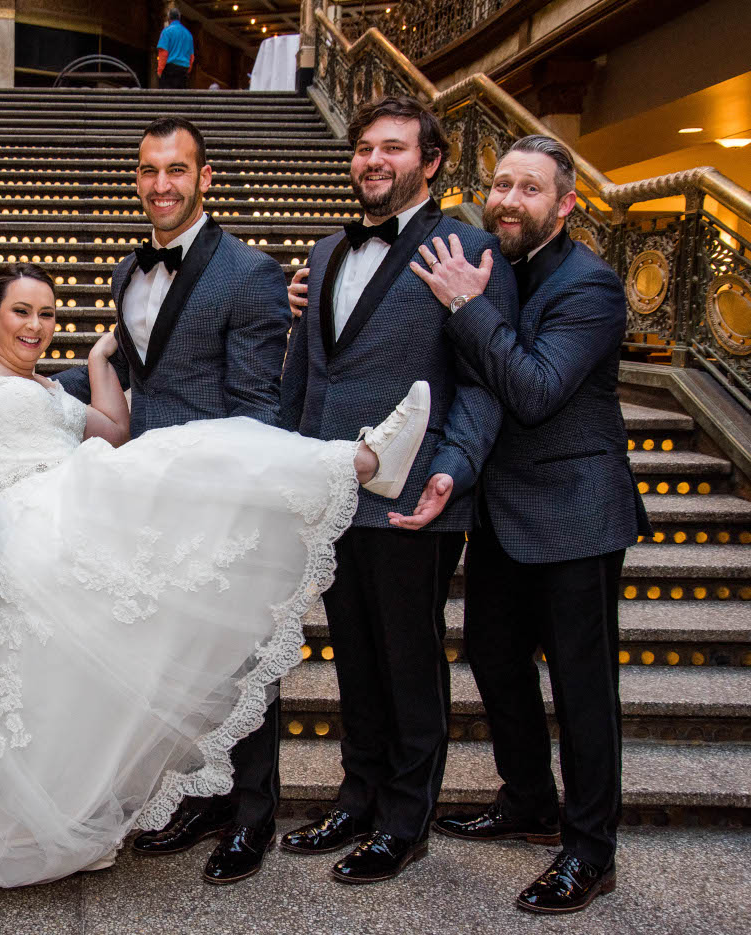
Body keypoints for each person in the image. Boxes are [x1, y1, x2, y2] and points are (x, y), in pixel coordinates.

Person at [0, 263, 432, 887]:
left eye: (47, 314)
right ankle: (359, 461)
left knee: (188, 457)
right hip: (25, 523)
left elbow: (113, 429)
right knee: (185, 456)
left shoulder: (52, 390)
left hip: (68, 507)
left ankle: (355, 462)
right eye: (21, 311)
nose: (37, 326)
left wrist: (103, 358)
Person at [277, 95, 515, 884]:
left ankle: (405, 818)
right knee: (352, 655)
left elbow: (484, 384)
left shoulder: (470, 249)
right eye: (363, 148)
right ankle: (357, 793)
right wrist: (291, 462)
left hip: (415, 492)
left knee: (410, 659)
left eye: (392, 147)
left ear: (432, 161)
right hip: (333, 488)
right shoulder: (324, 251)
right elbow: (312, 372)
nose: (373, 161)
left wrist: (453, 467)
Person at [409, 134, 648, 914]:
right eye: (502, 184)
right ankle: (528, 799)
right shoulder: (491, 271)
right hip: (505, 511)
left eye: (530, 189)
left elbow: (538, 388)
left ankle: (590, 850)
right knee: (490, 650)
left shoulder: (591, 286)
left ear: (566, 202)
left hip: (577, 510)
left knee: (584, 687)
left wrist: (468, 309)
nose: (509, 200)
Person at [55, 115, 291, 884]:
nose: (162, 184)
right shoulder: (128, 270)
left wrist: (228, 497)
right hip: (151, 491)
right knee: (180, 659)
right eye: (150, 170)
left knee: (242, 655)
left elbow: (256, 404)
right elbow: (140, 380)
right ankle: (204, 795)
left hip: (223, 494)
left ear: (205, 178)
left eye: (177, 170)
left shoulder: (249, 273)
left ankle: (253, 813)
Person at [157, 9, 195, 89]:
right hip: (183, 70)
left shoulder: (166, 31)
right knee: (180, 97)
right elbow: (191, 56)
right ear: (179, 18)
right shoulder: (188, 34)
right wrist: (188, 70)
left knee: (167, 97)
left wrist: (160, 70)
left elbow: (163, 52)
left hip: (170, 69)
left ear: (169, 18)